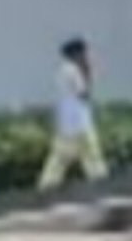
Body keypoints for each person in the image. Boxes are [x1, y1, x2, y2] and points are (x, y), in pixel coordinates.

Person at [38, 37, 108, 191]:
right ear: (76, 54)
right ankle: (100, 181)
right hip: (79, 121)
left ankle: (47, 184)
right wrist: (87, 72)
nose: (86, 56)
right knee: (91, 153)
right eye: (84, 53)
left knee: (61, 155)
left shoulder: (63, 70)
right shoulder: (73, 70)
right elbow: (84, 94)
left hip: (67, 122)